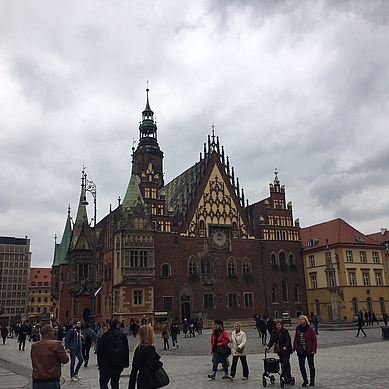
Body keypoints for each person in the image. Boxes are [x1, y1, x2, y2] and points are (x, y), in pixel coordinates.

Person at [30, 324, 69, 389]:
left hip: (37, 379)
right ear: (49, 333)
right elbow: (65, 360)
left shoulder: (34, 346)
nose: (54, 333)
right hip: (51, 380)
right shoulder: (56, 344)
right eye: (53, 331)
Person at [129, 325, 164, 389]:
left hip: (141, 380)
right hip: (149, 380)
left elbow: (134, 370)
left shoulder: (138, 349)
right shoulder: (149, 348)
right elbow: (152, 364)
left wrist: (131, 386)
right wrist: (160, 363)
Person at [97, 319, 129, 389]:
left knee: (103, 382)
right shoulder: (122, 335)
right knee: (115, 383)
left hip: (106, 363)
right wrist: (126, 363)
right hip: (118, 363)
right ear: (118, 325)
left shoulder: (105, 336)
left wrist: (100, 364)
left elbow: (100, 351)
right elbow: (126, 350)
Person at [293, 315, 317, 387]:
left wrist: (313, 349)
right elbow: (296, 339)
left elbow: (314, 340)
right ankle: (305, 380)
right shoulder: (298, 328)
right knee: (301, 365)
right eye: (300, 320)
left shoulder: (310, 329)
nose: (301, 321)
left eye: (302, 320)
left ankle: (312, 380)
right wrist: (294, 347)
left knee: (311, 365)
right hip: (301, 350)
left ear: (306, 320)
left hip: (309, 350)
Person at [266, 320, 293, 384]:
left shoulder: (285, 331)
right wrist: (268, 346)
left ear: (282, 325)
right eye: (277, 325)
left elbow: (288, 339)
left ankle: (288, 376)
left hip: (286, 350)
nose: (279, 326)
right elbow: (272, 340)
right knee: (282, 363)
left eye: (279, 325)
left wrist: (286, 346)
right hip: (280, 350)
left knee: (286, 363)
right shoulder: (274, 332)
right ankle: (284, 375)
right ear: (276, 326)